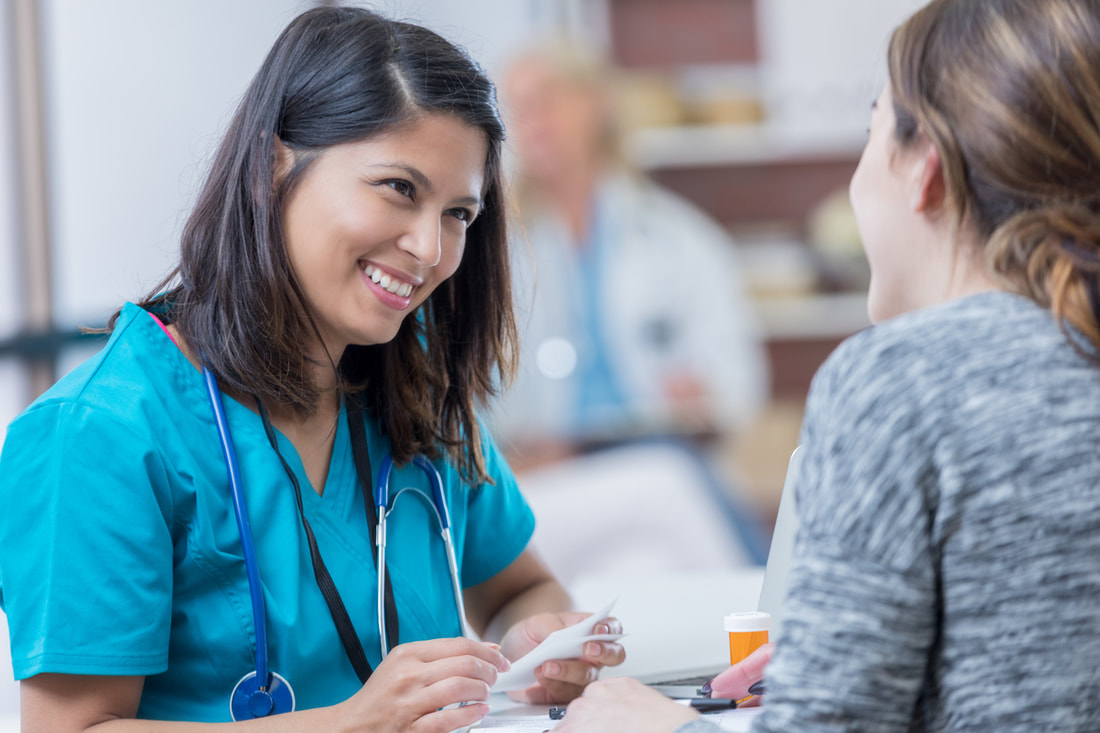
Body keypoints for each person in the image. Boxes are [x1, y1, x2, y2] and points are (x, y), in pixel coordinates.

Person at [0, 7, 625, 730]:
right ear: (274, 167)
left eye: (458, 213)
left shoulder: (415, 396)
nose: (429, 247)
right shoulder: (97, 436)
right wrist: (354, 721)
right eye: (398, 187)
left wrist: (532, 639)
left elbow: (520, 586)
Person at [554, 0, 1100, 730]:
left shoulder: (901, 377)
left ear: (923, 168)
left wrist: (654, 725)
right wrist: (853, 656)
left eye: (870, 132)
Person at [493, 41, 769, 463]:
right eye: (516, 107)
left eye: (545, 99)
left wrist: (703, 397)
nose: (530, 121)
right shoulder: (490, 247)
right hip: (538, 466)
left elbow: (740, 381)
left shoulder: (679, 236)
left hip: (653, 449)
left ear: (597, 103)